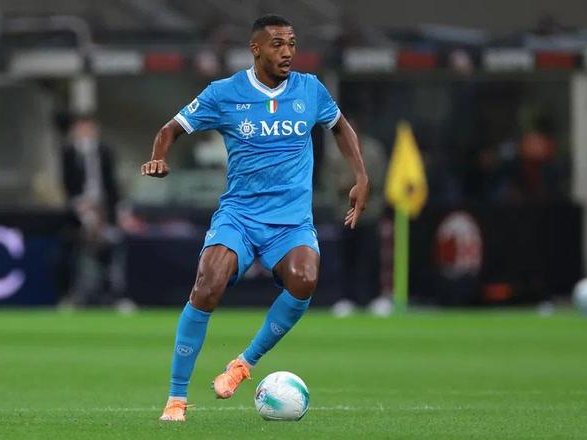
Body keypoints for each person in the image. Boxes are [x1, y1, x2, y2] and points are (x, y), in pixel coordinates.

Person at [141, 14, 369, 422]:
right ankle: (176, 398)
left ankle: (243, 364)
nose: (287, 52)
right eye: (278, 44)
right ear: (256, 49)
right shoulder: (224, 93)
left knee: (305, 279)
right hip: (240, 217)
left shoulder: (310, 89)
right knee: (208, 284)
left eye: (292, 43)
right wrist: (158, 157)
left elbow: (340, 127)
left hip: (291, 220)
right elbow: (170, 129)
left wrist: (361, 177)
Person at [60, 115, 128, 309]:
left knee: (113, 250)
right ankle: (73, 296)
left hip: (105, 210)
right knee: (73, 253)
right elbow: (67, 184)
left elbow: (112, 183)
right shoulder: (68, 153)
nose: (85, 132)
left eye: (88, 128)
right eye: (81, 128)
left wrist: (116, 210)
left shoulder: (105, 152)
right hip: (78, 211)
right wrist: (81, 207)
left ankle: (116, 296)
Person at [324, 122, 388, 317]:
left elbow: (379, 179)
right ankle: (345, 299)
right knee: (345, 259)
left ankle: (375, 298)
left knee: (371, 258)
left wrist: (357, 184)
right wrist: (346, 186)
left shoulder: (374, 150)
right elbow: (328, 181)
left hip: (369, 213)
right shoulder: (334, 152)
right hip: (344, 213)